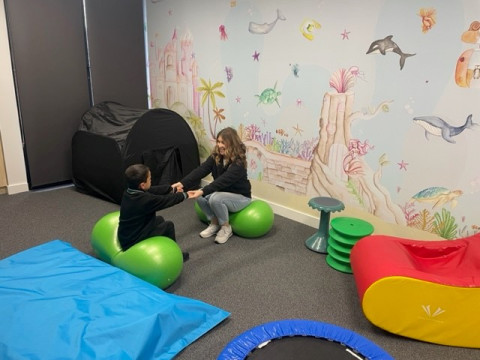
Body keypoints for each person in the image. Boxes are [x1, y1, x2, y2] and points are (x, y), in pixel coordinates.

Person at [172, 127, 252, 244]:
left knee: (213, 197)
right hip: (222, 193)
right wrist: (182, 183)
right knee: (200, 196)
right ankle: (214, 223)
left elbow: (222, 181)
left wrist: (204, 190)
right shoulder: (216, 156)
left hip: (240, 197)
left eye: (223, 143)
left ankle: (226, 228)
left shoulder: (238, 163)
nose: (219, 145)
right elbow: (201, 170)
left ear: (232, 144)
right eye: (218, 142)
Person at [118, 164, 190, 261]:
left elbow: (153, 190)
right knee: (168, 226)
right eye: (150, 179)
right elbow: (166, 201)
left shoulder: (129, 191)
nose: (151, 181)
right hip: (133, 240)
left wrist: (171, 189)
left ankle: (163, 247)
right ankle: (176, 256)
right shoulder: (144, 200)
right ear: (142, 185)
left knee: (159, 219)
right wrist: (185, 195)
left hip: (126, 234)